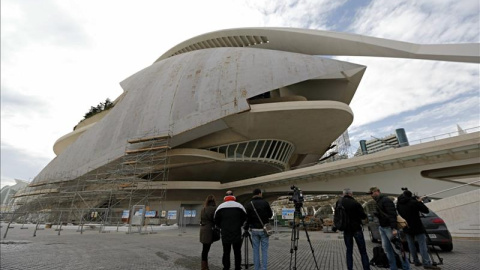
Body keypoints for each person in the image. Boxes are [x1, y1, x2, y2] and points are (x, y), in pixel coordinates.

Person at [397, 190, 441, 270]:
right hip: (417, 226)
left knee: (411, 245)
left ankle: (416, 261)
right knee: (422, 245)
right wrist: (420, 201)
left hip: (406, 226)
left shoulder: (399, 203)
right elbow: (426, 211)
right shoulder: (414, 202)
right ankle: (426, 263)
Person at [367, 186, 410, 270]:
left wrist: (394, 228)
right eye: (370, 194)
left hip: (389, 228)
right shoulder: (378, 201)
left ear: (377, 191)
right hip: (383, 227)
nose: (371, 195)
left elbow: (392, 214)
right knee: (387, 249)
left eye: (372, 193)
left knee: (398, 249)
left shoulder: (385, 200)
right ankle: (393, 267)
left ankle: (406, 267)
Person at [334, 188, 370, 270]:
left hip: (346, 230)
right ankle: (366, 268)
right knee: (363, 251)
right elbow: (363, 216)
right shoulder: (355, 203)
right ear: (351, 194)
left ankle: (350, 268)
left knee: (349, 251)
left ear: (343, 194)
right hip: (356, 229)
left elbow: (337, 216)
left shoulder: (339, 202)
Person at [215, 191, 247, 270]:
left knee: (226, 252)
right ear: (233, 196)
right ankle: (237, 267)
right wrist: (239, 225)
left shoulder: (220, 207)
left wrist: (222, 227)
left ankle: (226, 267)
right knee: (237, 252)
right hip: (236, 232)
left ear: (225, 197)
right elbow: (245, 218)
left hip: (225, 232)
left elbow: (216, 220)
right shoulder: (240, 206)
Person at [244, 188, 273, 270]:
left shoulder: (249, 204)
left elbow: (247, 218)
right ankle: (264, 268)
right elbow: (270, 215)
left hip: (254, 230)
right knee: (264, 251)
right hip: (264, 230)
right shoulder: (265, 203)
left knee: (255, 251)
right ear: (260, 194)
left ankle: (256, 268)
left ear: (253, 194)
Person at [199, 194, 217, 270]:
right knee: (206, 249)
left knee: (204, 249)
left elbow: (201, 219)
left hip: (203, 229)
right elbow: (215, 219)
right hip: (209, 230)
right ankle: (204, 267)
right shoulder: (214, 209)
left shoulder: (203, 209)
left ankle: (204, 266)